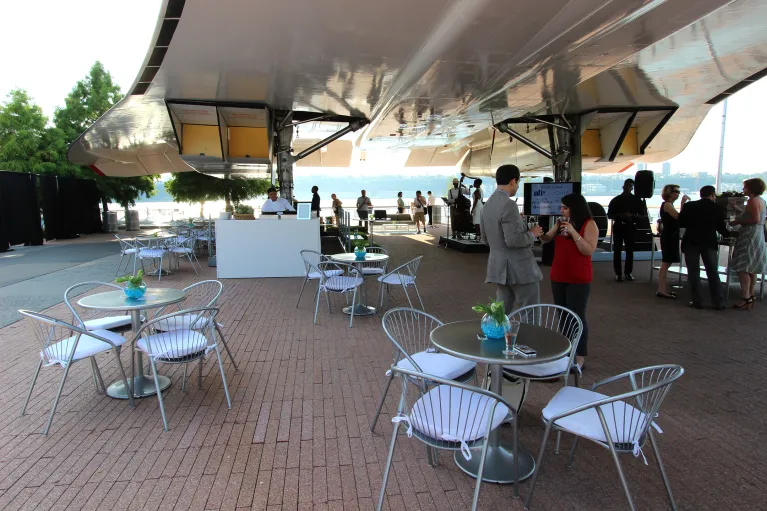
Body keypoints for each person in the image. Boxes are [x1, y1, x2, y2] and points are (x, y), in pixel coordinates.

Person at [539, 193, 598, 369]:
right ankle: (566, 351)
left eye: (565, 207)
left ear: (575, 208)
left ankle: (579, 356)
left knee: (577, 315)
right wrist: (542, 232)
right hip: (559, 275)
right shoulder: (560, 223)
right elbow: (547, 239)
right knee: (563, 315)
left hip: (578, 277)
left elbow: (588, 250)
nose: (561, 210)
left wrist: (573, 232)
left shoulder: (589, 224)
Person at [480, 164, 543, 312]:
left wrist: (518, 223)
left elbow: (485, 239)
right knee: (530, 313)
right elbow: (513, 240)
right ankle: (530, 336)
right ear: (513, 181)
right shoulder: (509, 204)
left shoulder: (486, 205)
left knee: (501, 315)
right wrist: (533, 233)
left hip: (498, 267)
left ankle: (498, 336)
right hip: (520, 269)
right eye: (518, 183)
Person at [677, 185, 729, 310]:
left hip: (691, 242)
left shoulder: (689, 206)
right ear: (712, 194)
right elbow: (721, 228)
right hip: (709, 242)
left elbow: (681, 222)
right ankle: (718, 302)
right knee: (712, 272)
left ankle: (697, 301)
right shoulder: (717, 208)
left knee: (693, 272)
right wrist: (730, 234)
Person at [729, 178, 767, 310]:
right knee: (752, 267)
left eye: (745, 187)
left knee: (742, 266)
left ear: (751, 188)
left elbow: (754, 219)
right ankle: (751, 295)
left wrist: (737, 222)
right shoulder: (761, 200)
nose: (743, 189)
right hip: (758, 234)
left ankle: (745, 297)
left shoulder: (752, 200)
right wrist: (737, 208)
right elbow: (753, 215)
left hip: (749, 235)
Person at [607, 178, 647, 282]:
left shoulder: (637, 201)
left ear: (632, 188)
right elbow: (609, 215)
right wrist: (621, 215)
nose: (629, 188)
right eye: (627, 186)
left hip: (630, 226)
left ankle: (628, 272)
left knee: (630, 251)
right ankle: (618, 274)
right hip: (619, 226)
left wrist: (632, 215)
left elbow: (643, 216)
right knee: (617, 251)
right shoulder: (616, 200)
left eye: (631, 186)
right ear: (623, 186)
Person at [656, 184, 689, 299]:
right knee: (666, 263)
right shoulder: (667, 205)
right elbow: (680, 218)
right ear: (669, 193)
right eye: (676, 191)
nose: (678, 193)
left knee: (667, 262)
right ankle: (661, 289)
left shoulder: (669, 205)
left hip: (671, 236)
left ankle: (663, 289)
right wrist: (683, 204)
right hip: (669, 236)